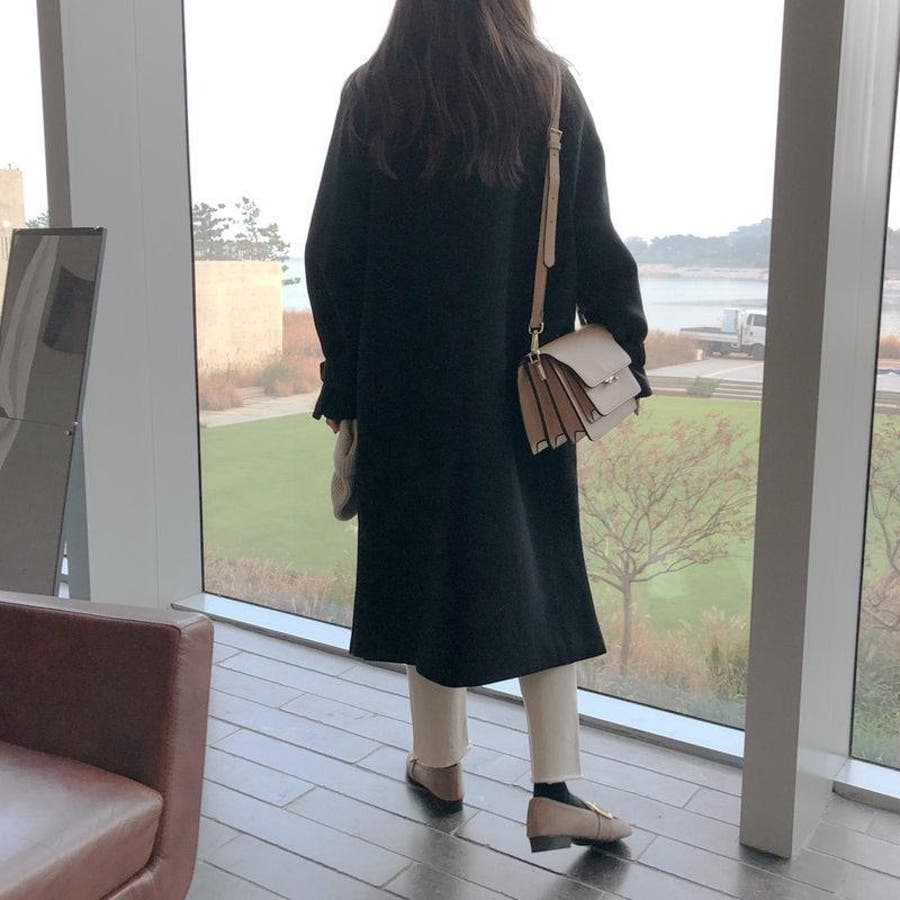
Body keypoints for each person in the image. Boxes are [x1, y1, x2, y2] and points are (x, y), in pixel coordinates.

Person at [305, 0, 652, 852]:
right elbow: (591, 236)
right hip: (517, 391)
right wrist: (623, 351)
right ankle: (555, 790)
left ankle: (440, 766)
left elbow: (331, 255)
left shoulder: (372, 92)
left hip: (402, 394)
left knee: (423, 571)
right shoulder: (548, 89)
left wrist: (347, 384)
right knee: (541, 572)